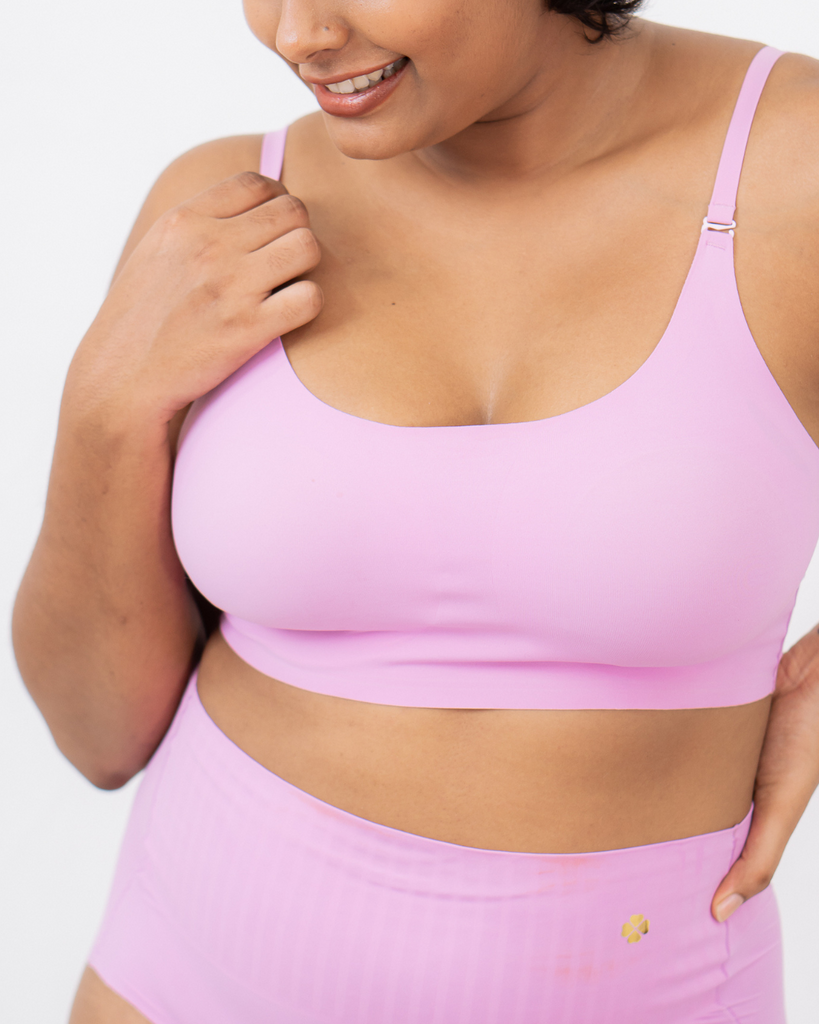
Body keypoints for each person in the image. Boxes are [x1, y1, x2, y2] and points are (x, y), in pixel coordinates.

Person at [12, 0, 819, 1020]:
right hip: (176, 978)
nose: (297, 34)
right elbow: (97, 735)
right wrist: (104, 404)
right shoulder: (224, 213)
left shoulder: (792, 168)